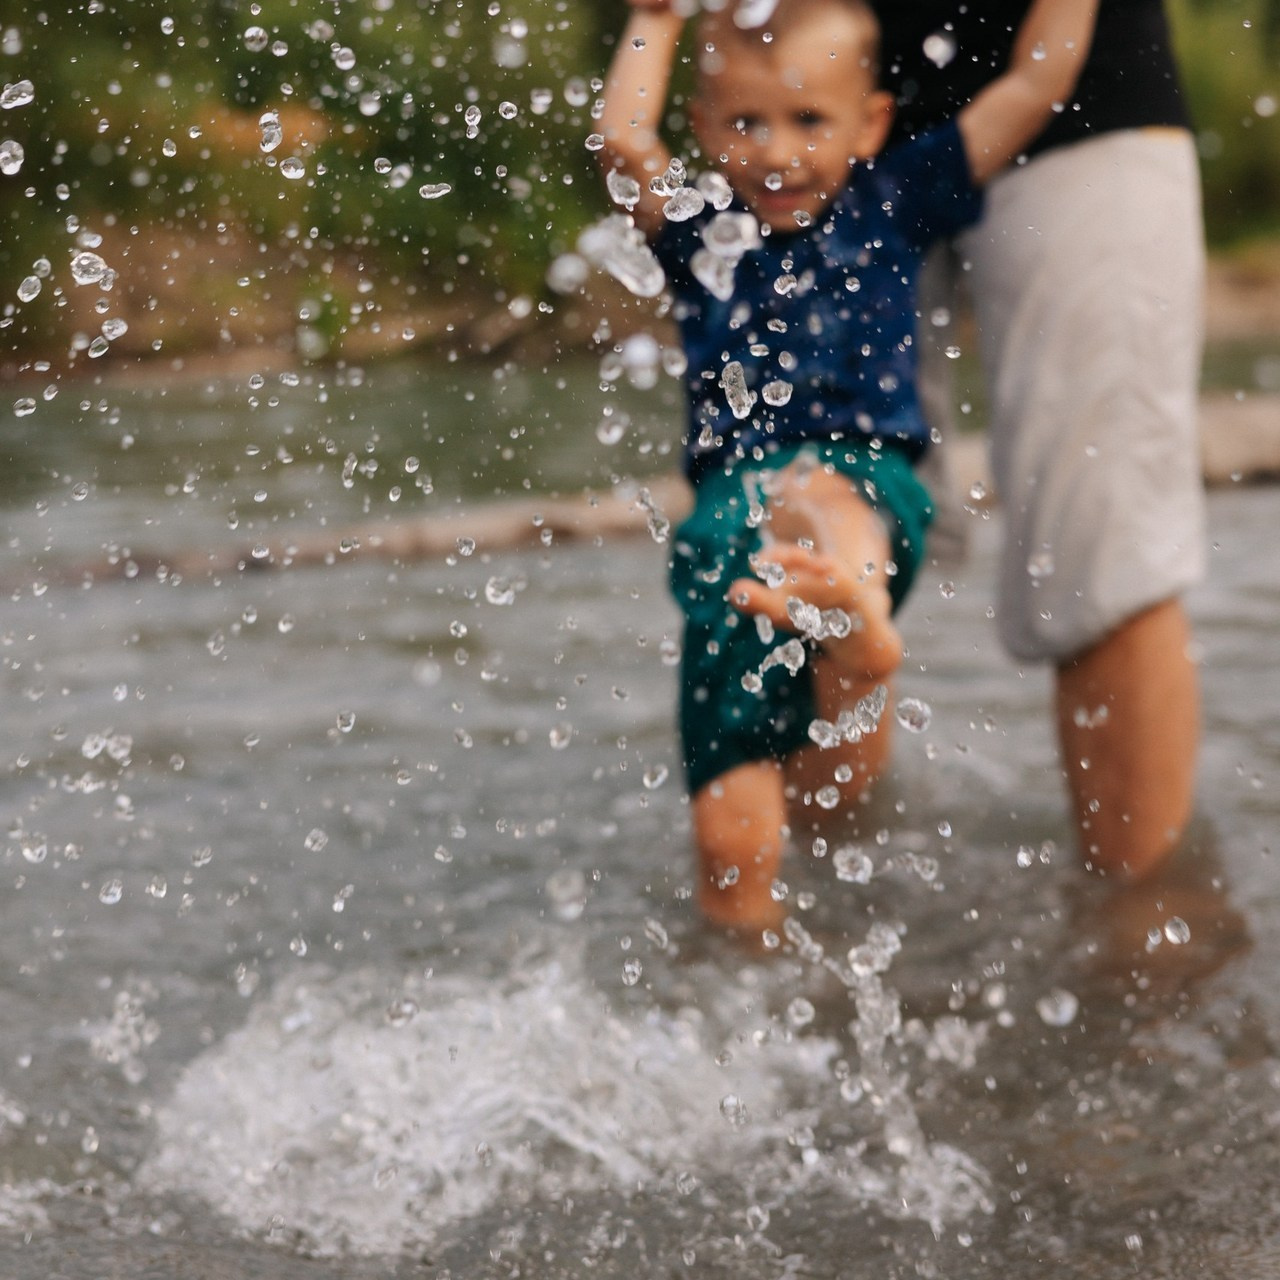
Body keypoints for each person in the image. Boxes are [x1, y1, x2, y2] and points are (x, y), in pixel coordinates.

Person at [596, 0, 1097, 931]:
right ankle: (745, 958)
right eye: (745, 122)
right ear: (703, 128)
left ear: (868, 122)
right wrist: (656, 19)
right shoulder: (705, 230)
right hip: (728, 533)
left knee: (817, 498)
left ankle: (847, 606)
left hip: (868, 484)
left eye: (809, 120)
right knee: (731, 833)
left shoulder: (894, 197)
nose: (777, 150)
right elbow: (623, 145)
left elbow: (1035, 85)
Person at [870, 2, 1205, 884]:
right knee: (818, 525)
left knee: (1106, 541)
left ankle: (1143, 948)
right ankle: (808, 935)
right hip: (815, 82)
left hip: (1084, 79)